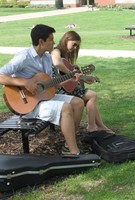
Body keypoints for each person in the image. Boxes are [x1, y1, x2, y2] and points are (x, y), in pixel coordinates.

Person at [0, 24, 84, 157]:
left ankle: (69, 145)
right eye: (51, 39)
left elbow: (52, 85)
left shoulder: (46, 58)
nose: (54, 42)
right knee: (66, 107)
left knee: (78, 103)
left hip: (43, 98)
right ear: (41, 41)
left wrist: (71, 78)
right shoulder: (23, 57)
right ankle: (74, 152)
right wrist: (24, 82)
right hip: (26, 104)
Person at [51, 30, 114, 133]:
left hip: (65, 88)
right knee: (92, 96)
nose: (75, 47)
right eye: (74, 44)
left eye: (77, 46)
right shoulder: (56, 51)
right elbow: (57, 63)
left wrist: (83, 78)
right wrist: (72, 72)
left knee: (91, 96)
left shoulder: (66, 55)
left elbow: (70, 78)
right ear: (66, 40)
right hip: (57, 89)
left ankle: (97, 126)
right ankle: (93, 126)